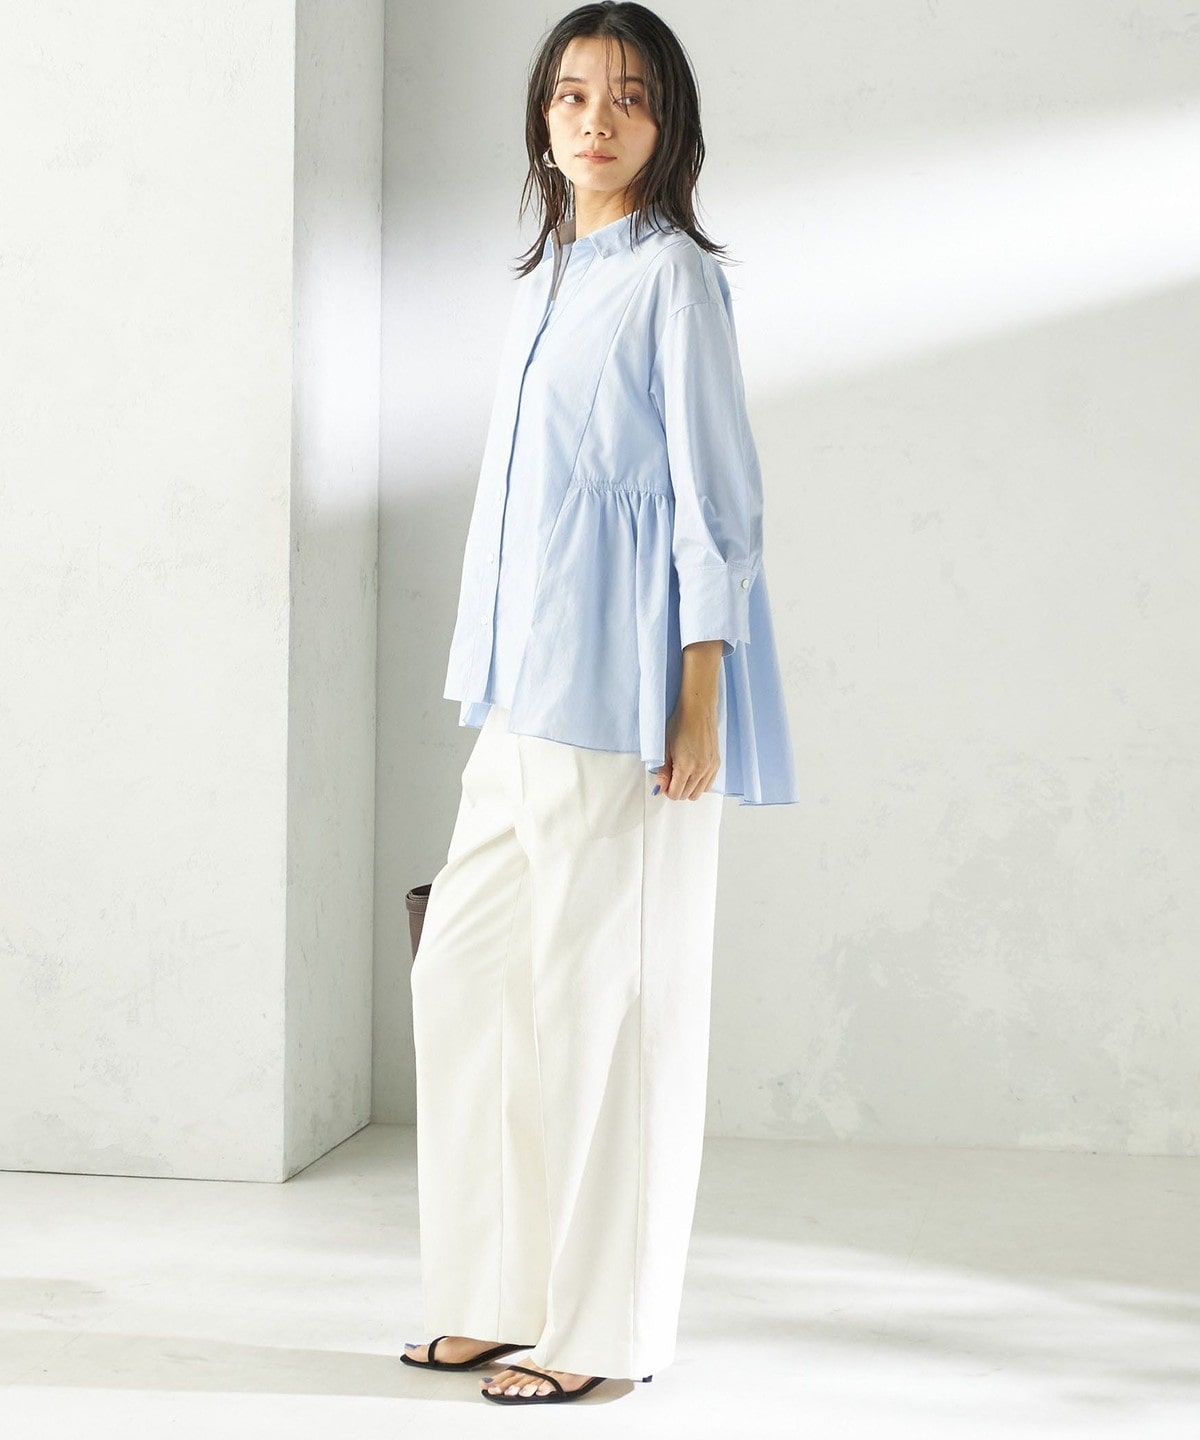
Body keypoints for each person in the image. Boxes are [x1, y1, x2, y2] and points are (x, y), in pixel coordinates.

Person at [401, 0, 799, 1408]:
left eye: (627, 95)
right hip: (518, 693)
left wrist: (700, 695)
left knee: (605, 1008)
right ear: (543, 117)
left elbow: (715, 506)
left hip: (623, 696)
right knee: (466, 979)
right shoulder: (549, 279)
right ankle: (495, 1296)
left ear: (666, 122)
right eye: (572, 93)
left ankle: (601, 1334)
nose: (595, 117)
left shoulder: (675, 279)